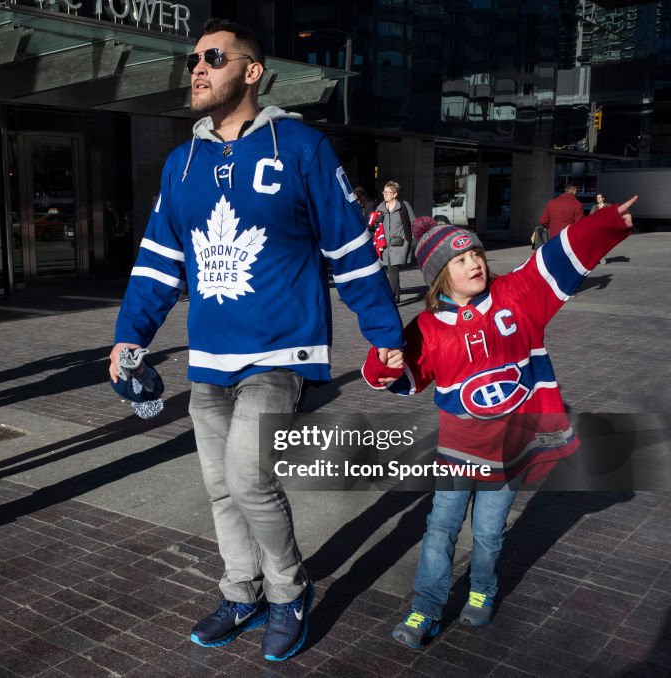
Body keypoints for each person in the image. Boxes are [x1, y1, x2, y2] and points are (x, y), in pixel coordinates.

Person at [109, 19, 404, 662]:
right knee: (219, 487)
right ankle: (241, 591)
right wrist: (129, 337)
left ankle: (288, 591)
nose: (197, 68)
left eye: (212, 57)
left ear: (250, 71)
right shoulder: (180, 163)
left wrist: (385, 334)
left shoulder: (299, 147)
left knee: (249, 481)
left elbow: (349, 248)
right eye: (193, 59)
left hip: (280, 351)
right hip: (210, 357)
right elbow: (159, 263)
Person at [362, 198, 639, 649]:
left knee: (489, 533)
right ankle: (426, 607)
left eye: (476, 254)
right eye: (459, 259)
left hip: (509, 449)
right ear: (438, 275)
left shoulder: (516, 295)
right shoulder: (427, 326)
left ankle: (482, 588)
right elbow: (402, 377)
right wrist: (384, 364)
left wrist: (605, 223)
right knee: (440, 529)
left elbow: (552, 260)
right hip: (457, 450)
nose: (473, 263)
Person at [374, 181, 416, 303]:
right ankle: (397, 295)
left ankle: (390, 298)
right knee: (391, 269)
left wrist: (411, 239)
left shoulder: (403, 206)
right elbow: (375, 226)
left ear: (395, 194)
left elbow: (413, 222)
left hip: (400, 244)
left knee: (393, 269)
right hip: (385, 245)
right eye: (384, 192)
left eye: (388, 192)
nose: (385, 194)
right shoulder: (380, 207)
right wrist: (377, 220)